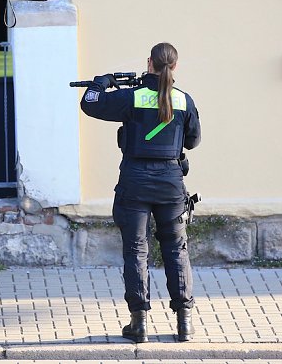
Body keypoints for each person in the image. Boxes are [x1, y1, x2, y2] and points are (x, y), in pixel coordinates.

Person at [80, 42, 201, 343]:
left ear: (149, 63)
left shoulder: (131, 97)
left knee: (136, 250)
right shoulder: (184, 100)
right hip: (171, 183)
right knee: (176, 249)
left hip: (134, 181)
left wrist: (101, 82)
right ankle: (184, 323)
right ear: (175, 66)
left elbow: (90, 103)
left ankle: (139, 323)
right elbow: (193, 141)